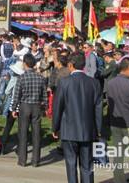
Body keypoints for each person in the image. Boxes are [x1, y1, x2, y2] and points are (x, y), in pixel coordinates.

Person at [52, 52, 102, 183]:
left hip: (69, 130)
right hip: (88, 130)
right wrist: (98, 130)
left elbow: (58, 107)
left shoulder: (64, 82)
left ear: (70, 65)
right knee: (87, 166)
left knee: (71, 164)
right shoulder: (94, 83)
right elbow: (98, 108)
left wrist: (55, 127)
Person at [106, 57, 129, 183]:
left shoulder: (110, 83)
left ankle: (118, 180)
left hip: (116, 123)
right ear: (128, 68)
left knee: (118, 156)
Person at [11, 53, 47, 167]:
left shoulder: (22, 78)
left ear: (25, 64)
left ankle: (22, 160)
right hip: (36, 106)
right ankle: (35, 161)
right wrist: (44, 106)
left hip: (25, 106)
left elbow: (17, 94)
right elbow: (44, 95)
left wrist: (13, 108)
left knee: (23, 133)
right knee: (36, 134)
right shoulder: (40, 77)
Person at [0, 60, 24, 155]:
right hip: (22, 106)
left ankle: (3, 146)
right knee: (21, 128)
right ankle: (19, 148)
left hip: (13, 106)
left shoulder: (14, 78)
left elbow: (7, 91)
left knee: (8, 126)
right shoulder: (24, 78)